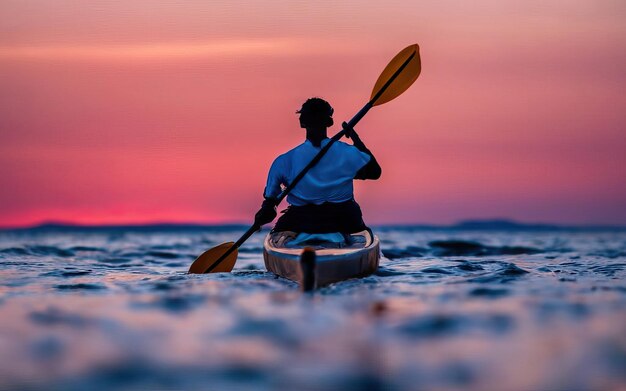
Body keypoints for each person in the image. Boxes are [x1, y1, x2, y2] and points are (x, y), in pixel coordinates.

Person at [254, 97, 381, 234]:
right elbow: (375, 172)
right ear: (329, 122)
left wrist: (265, 212)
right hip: (344, 219)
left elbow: (270, 201)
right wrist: (355, 138)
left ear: (302, 122)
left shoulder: (284, 161)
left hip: (302, 220)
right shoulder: (348, 153)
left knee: (278, 230)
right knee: (357, 219)